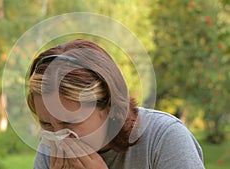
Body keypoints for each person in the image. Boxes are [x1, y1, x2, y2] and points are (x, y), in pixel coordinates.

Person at [27, 39, 205, 169]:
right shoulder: (50, 149)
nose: (59, 139)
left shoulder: (164, 138)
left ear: (110, 108)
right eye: (47, 124)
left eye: (69, 123)